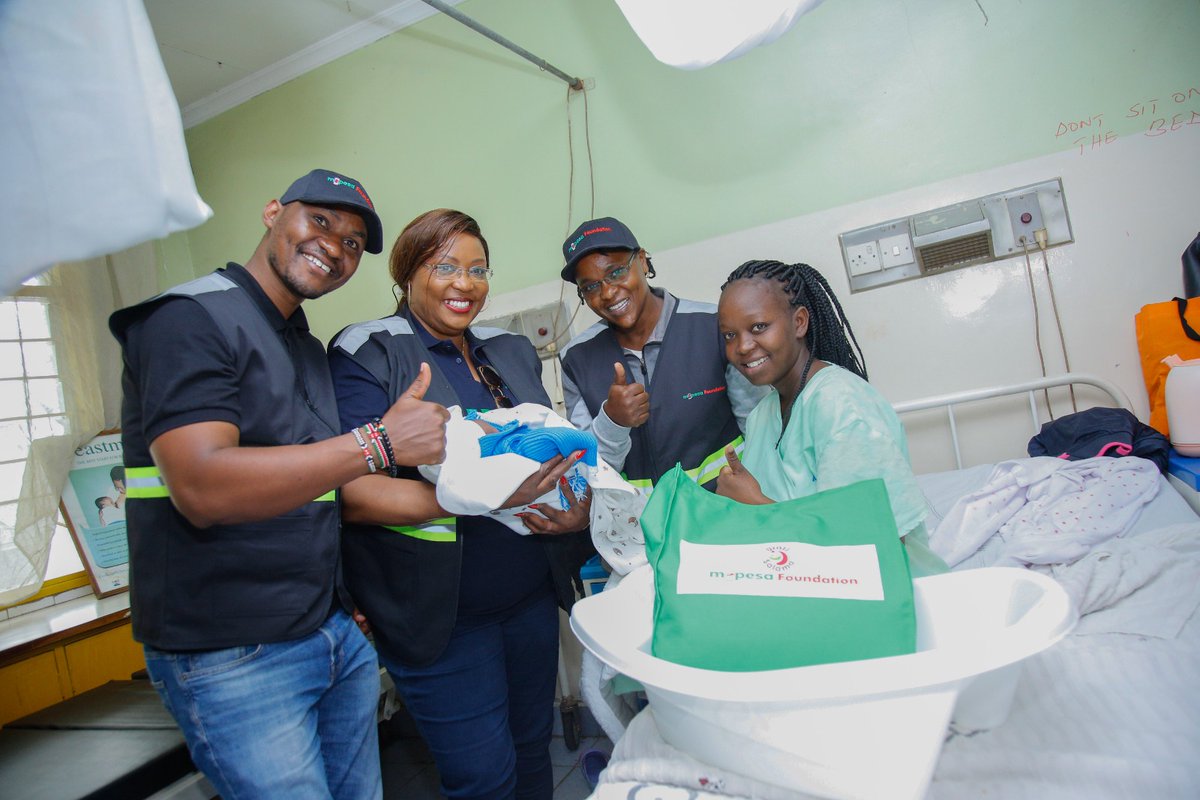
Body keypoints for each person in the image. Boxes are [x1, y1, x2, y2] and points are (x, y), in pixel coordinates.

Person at [108, 168, 452, 800]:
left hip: (327, 633)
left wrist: (343, 603)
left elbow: (312, 487)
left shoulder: (301, 343)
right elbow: (204, 488)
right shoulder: (188, 319)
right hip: (231, 654)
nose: (335, 245)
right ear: (273, 212)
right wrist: (378, 442)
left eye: (352, 242)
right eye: (319, 221)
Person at [328, 209, 595, 800]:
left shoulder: (510, 351)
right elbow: (352, 493)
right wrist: (479, 497)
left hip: (528, 595)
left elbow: (547, 452)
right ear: (406, 273)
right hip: (441, 617)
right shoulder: (371, 352)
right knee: (482, 777)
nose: (463, 282)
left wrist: (575, 509)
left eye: (478, 269)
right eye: (443, 265)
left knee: (533, 748)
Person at [714, 259, 948, 576]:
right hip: (805, 586)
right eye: (729, 335)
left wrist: (756, 506)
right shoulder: (762, 416)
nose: (742, 346)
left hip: (892, 599)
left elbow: (874, 551)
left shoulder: (842, 408)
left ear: (799, 322)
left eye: (758, 327)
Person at [557, 217, 764, 492]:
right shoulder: (576, 359)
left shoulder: (712, 326)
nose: (607, 293)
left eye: (616, 272)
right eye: (591, 287)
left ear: (642, 261)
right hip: (641, 530)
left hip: (726, 515)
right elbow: (587, 473)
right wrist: (612, 421)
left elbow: (761, 429)